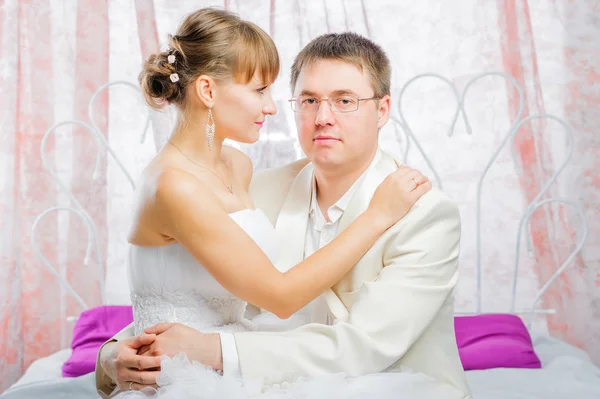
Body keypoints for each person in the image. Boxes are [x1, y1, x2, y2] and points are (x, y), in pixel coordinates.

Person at [96, 8, 471, 399]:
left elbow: (360, 348)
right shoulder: (257, 190)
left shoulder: (424, 213)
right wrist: (110, 355)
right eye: (309, 100)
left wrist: (214, 350)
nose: (323, 117)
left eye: (344, 100)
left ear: (382, 110)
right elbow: (192, 296)